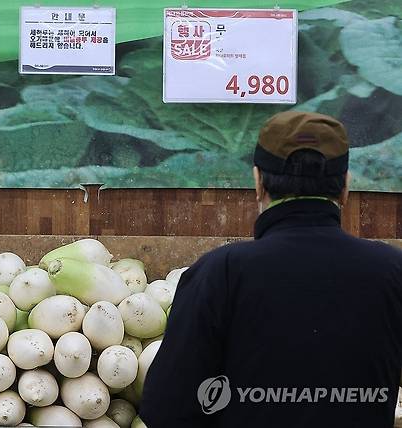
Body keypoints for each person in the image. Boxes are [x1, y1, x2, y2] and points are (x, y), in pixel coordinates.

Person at [139, 111, 402, 427]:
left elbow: (164, 409)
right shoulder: (391, 271)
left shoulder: (221, 272)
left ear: (257, 182)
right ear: (345, 186)